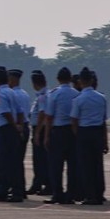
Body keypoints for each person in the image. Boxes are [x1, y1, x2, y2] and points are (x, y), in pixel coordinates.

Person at [70, 67, 108, 205]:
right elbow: (103, 121)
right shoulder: (101, 98)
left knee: (86, 166)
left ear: (80, 81)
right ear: (92, 80)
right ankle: (99, 193)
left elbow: (74, 120)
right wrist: (105, 140)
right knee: (98, 164)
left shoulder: (78, 99)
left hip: (84, 132)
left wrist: (78, 135)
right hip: (97, 132)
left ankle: (90, 195)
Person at [44, 67, 80, 204]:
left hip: (58, 131)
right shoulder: (76, 93)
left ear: (58, 79)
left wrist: (47, 136)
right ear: (70, 79)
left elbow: (49, 117)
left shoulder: (54, 94)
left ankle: (57, 194)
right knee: (72, 166)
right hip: (72, 131)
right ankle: (70, 194)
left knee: (55, 166)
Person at [0, 67, 23, 202]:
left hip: (3, 131)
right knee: (11, 162)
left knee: (4, 163)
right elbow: (20, 111)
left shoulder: (0, 94)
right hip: (8, 131)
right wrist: (19, 126)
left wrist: (14, 125)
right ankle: (10, 190)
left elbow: (5, 112)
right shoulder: (11, 92)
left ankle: (5, 191)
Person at [8, 69, 30, 198]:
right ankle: (20, 188)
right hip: (24, 126)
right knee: (18, 160)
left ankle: (17, 189)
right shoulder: (24, 93)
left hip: (17, 127)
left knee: (14, 161)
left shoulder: (13, 94)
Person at [28, 70, 50, 196]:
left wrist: (37, 133)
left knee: (40, 159)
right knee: (40, 159)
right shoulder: (45, 94)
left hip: (40, 129)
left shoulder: (42, 96)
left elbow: (42, 113)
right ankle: (38, 183)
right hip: (42, 129)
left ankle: (44, 183)